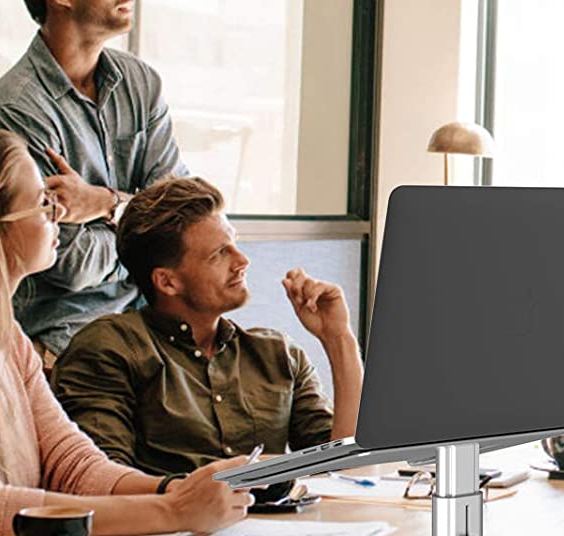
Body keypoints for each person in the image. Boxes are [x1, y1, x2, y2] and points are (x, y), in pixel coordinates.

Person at [0, 128, 248, 536]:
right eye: (41, 201)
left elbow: (75, 466)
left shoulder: (8, 339)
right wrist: (172, 511)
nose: (58, 212)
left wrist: (174, 489)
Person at [0, 0, 186, 358]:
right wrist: (145, 234)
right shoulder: (17, 110)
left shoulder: (140, 84)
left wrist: (105, 204)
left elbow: (185, 218)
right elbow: (67, 264)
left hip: (152, 331)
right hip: (65, 346)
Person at [53, 176, 363, 478]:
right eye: (219, 254)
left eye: (234, 244)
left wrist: (338, 339)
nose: (242, 261)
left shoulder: (278, 354)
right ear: (167, 281)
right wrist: (231, 481)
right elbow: (103, 480)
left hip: (277, 528)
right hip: (171, 528)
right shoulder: (109, 348)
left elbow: (345, 467)